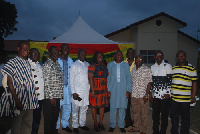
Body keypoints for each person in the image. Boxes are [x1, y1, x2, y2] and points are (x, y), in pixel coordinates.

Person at [1, 41, 39, 134]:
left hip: (29, 102)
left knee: (27, 126)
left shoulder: (28, 63)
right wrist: (17, 102)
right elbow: (9, 84)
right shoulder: (12, 62)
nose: (26, 51)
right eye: (23, 49)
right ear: (18, 49)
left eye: (27, 49)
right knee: (16, 128)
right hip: (19, 101)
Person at [170, 50, 197, 134]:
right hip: (174, 99)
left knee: (185, 119)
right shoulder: (173, 68)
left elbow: (194, 84)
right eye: (179, 56)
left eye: (182, 56)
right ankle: (174, 132)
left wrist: (193, 97)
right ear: (176, 57)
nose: (181, 58)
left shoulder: (191, 68)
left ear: (186, 57)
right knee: (174, 118)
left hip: (185, 99)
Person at [107, 50, 132, 133]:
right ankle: (112, 125)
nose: (118, 55)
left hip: (123, 89)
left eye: (120, 54)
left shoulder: (126, 65)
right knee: (113, 108)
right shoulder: (110, 65)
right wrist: (108, 89)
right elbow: (108, 78)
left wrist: (128, 90)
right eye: (117, 54)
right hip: (113, 89)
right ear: (115, 56)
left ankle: (121, 125)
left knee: (122, 108)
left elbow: (129, 78)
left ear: (122, 56)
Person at [128, 55, 152, 134]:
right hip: (134, 95)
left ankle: (143, 129)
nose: (138, 60)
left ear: (143, 61)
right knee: (135, 112)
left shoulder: (147, 70)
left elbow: (149, 83)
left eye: (140, 59)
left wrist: (146, 95)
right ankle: (136, 127)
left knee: (144, 113)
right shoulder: (133, 69)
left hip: (142, 96)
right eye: (137, 59)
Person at [42, 46, 64, 134]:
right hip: (49, 98)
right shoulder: (47, 64)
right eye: (53, 52)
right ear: (49, 53)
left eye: (57, 52)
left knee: (55, 118)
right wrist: (51, 97)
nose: (56, 54)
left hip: (57, 96)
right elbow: (46, 82)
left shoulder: (57, 64)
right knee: (48, 120)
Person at [150, 50, 172, 134]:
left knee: (164, 115)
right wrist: (151, 93)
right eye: (157, 55)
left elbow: (170, 80)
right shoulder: (152, 67)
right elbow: (152, 81)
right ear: (154, 57)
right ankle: (155, 131)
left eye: (160, 54)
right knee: (155, 115)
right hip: (155, 95)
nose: (159, 56)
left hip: (164, 96)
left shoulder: (168, 66)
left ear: (163, 56)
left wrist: (168, 93)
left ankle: (163, 131)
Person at [70, 49, 90, 133]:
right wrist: (73, 92)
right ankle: (75, 125)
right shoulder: (74, 65)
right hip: (77, 93)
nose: (83, 55)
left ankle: (82, 124)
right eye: (81, 54)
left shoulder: (87, 64)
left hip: (86, 92)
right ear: (78, 55)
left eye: (84, 54)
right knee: (75, 109)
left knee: (84, 108)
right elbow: (71, 79)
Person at [88, 51, 109, 132]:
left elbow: (106, 77)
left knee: (101, 106)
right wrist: (92, 91)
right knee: (94, 106)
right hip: (95, 90)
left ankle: (100, 122)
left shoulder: (104, 66)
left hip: (103, 90)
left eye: (101, 56)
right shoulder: (92, 66)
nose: (100, 57)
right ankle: (95, 123)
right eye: (98, 56)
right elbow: (90, 78)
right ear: (95, 57)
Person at [56, 43, 73, 133]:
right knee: (57, 108)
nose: (66, 50)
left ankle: (65, 125)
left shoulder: (70, 61)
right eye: (64, 48)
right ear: (61, 49)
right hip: (59, 89)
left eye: (67, 48)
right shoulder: (56, 60)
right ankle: (56, 126)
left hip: (68, 88)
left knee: (67, 107)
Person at [28, 48, 44, 134]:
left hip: (40, 97)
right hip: (30, 98)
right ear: (29, 55)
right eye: (34, 54)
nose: (36, 56)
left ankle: (35, 132)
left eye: (37, 54)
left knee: (37, 118)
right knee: (29, 119)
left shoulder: (39, 66)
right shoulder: (26, 65)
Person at [124, 48, 135, 128]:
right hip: (125, 88)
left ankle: (135, 122)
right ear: (127, 54)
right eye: (129, 53)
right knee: (126, 107)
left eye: (132, 52)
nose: (130, 54)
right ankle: (128, 122)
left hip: (135, 88)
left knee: (134, 106)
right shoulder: (123, 62)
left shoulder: (137, 62)